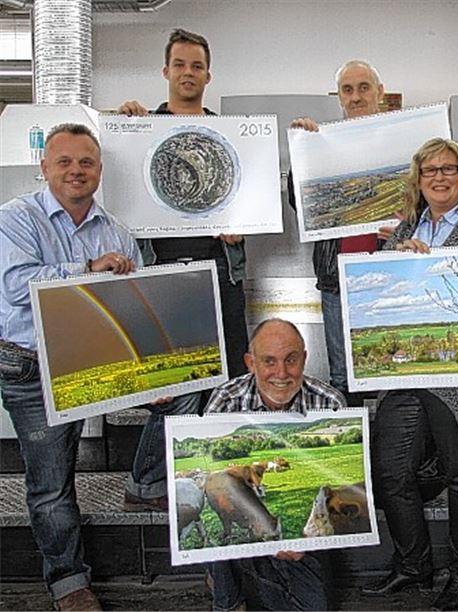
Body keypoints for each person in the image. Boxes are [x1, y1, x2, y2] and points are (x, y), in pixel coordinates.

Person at [360, 138, 458, 611]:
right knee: (392, 473)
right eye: (431, 171)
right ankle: (413, 565)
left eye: (450, 169)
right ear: (418, 180)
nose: (440, 178)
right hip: (409, 371)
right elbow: (377, 301)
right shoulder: (400, 229)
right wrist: (394, 258)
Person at [0, 123, 143, 611]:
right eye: (64, 161)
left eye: (86, 162)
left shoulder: (120, 233)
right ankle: (68, 584)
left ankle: (144, 482)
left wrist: (158, 371)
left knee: (187, 394)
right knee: (51, 484)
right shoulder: (15, 219)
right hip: (32, 366)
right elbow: (17, 287)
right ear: (44, 167)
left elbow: (139, 307)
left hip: (100, 363)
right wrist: (87, 270)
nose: (76, 171)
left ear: (100, 171)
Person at [115, 28, 245, 512]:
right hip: (164, 278)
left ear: (208, 75)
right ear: (166, 71)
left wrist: (240, 228)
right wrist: (124, 128)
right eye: (180, 65)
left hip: (220, 274)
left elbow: (245, 207)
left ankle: (200, 480)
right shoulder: (142, 127)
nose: (188, 73)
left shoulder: (226, 135)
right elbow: (120, 195)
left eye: (196, 66)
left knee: (222, 380)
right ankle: (146, 481)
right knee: (175, 389)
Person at [204, 318, 345, 611]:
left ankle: (256, 578)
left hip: (303, 546)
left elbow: (339, 494)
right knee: (222, 550)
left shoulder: (330, 402)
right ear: (250, 362)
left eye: (291, 360)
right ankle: (229, 598)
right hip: (241, 519)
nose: (281, 373)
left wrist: (309, 542)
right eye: (269, 361)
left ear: (304, 359)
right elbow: (214, 478)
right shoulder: (225, 401)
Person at [288, 60, 394, 400]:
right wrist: (302, 153)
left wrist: (401, 229)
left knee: (394, 371)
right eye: (348, 90)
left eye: (364, 87)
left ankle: (394, 451)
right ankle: (358, 450)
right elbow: (300, 203)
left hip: (390, 274)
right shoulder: (322, 143)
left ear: (380, 92)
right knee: (344, 378)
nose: (356, 96)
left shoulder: (402, 144)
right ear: (339, 97)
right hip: (338, 278)